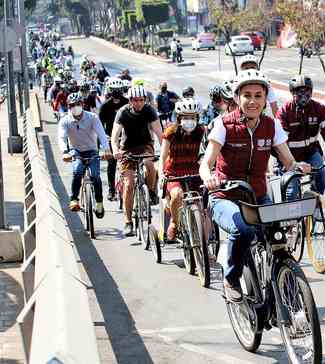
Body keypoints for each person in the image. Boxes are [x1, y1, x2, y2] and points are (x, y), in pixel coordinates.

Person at [199, 70, 311, 302]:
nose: (253, 101)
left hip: (258, 198)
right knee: (244, 229)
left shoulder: (271, 126)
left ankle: (291, 299)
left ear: (265, 98)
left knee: (278, 241)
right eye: (247, 95)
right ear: (237, 98)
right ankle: (231, 279)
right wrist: (208, 177)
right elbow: (206, 163)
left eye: (258, 95)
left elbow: (288, 161)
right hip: (225, 198)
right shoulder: (223, 124)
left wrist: (298, 166)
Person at [276, 75, 325, 200]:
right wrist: (285, 162)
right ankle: (292, 218)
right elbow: (280, 142)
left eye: (307, 91)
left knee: (321, 176)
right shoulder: (284, 112)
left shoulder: (319, 109)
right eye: (298, 91)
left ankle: (316, 205)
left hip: (311, 152)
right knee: (291, 191)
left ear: (311, 92)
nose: (303, 95)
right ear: (292, 92)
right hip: (290, 156)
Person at [111, 85, 163, 236]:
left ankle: (151, 191)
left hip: (145, 145)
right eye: (135, 100)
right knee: (128, 185)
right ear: (130, 100)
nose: (139, 103)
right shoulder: (122, 112)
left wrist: (166, 152)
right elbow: (115, 135)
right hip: (126, 149)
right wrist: (115, 151)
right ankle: (128, 221)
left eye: (141, 100)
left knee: (149, 165)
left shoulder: (149, 110)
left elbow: (160, 133)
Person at [58, 93, 111, 216]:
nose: (75, 107)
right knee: (77, 171)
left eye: (78, 104)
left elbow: (101, 134)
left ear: (82, 104)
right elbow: (62, 137)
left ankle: (99, 203)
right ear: (68, 106)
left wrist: (106, 149)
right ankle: (74, 199)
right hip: (75, 151)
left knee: (95, 176)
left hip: (92, 150)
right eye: (72, 105)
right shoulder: (65, 121)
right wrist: (65, 152)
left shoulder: (92, 117)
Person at [159, 98, 204, 240]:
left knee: (204, 208)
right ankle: (174, 221)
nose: (189, 120)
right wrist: (161, 175)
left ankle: (206, 245)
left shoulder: (202, 131)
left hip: (195, 172)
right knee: (177, 195)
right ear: (179, 118)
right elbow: (163, 156)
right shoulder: (170, 132)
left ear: (197, 117)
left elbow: (207, 153)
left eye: (192, 117)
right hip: (174, 173)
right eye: (186, 117)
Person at [99, 78, 128, 201]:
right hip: (111, 137)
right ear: (110, 91)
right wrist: (103, 138)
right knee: (112, 163)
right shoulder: (105, 106)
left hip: (127, 136)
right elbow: (100, 125)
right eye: (114, 91)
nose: (116, 93)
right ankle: (111, 190)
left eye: (118, 91)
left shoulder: (127, 102)